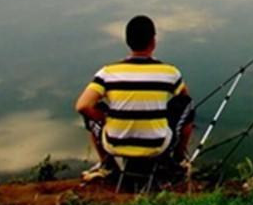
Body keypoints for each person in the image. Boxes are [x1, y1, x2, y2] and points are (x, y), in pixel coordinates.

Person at [75, 15, 195, 182]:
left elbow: (82, 106)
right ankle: (178, 160)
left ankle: (107, 164)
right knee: (187, 105)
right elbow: (184, 97)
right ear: (153, 42)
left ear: (127, 41)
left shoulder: (107, 73)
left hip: (114, 144)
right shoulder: (169, 72)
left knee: (92, 110)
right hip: (157, 146)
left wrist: (105, 118)